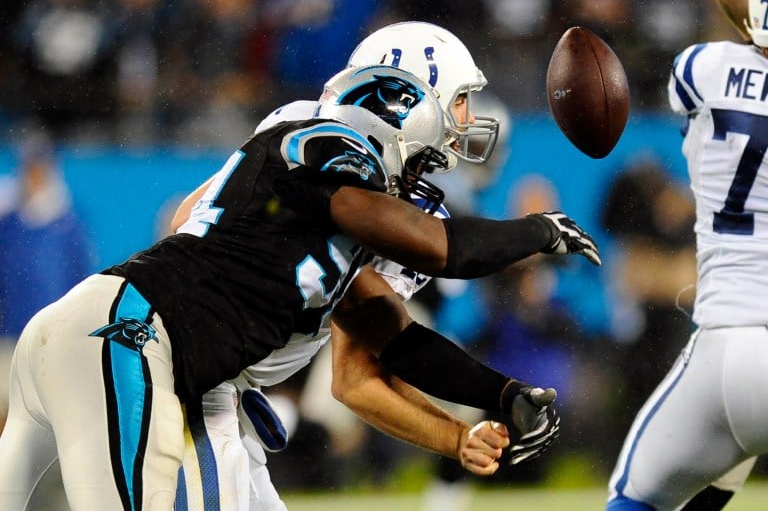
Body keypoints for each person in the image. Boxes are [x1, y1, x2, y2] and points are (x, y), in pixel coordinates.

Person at [0, 61, 598, 510]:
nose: (424, 171)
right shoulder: (325, 148)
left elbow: (399, 343)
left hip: (90, 330)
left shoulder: (319, 231)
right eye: (421, 151)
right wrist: (539, 230)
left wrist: (503, 394)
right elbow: (440, 247)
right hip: (128, 340)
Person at [176, 21, 563, 511]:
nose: (466, 118)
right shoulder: (310, 139)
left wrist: (459, 438)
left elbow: (356, 377)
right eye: (460, 99)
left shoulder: (406, 193)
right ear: (408, 97)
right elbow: (187, 224)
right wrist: (540, 231)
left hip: (218, 381)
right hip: (188, 370)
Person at [605, 0, 768, 509]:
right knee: (728, 461)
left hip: (725, 340)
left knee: (637, 495)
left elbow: (739, 7)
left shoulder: (703, 68)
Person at [0, 127, 94, 432]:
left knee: (46, 418)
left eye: (41, 167)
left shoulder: (68, 222)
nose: (36, 175)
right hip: (8, 335)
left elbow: (80, 280)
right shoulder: (8, 220)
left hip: (50, 338)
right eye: (31, 167)